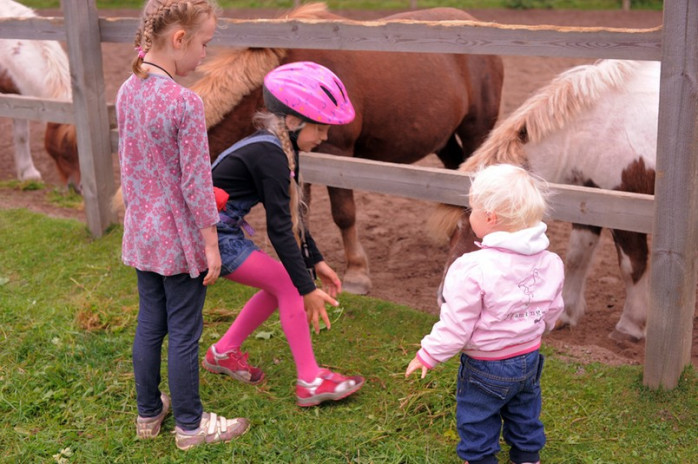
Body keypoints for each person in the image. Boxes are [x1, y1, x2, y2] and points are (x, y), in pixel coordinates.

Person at [116, 0, 249, 451]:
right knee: (185, 334)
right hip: (178, 239)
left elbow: (130, 166)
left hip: (142, 233)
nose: (205, 54)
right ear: (179, 40)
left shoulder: (126, 90)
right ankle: (191, 427)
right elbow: (196, 183)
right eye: (204, 44)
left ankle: (148, 412)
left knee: (150, 323)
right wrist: (211, 244)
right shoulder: (185, 103)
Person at [202, 61, 365, 407]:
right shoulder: (270, 155)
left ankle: (223, 352)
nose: (324, 137)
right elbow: (279, 230)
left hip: (221, 231)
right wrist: (306, 288)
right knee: (289, 284)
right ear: (293, 121)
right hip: (209, 238)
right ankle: (310, 380)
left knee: (281, 283)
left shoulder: (282, 148)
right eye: (320, 128)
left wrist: (316, 261)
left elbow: (293, 216)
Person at [405, 164, 565, 464]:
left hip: (486, 365)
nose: (470, 215)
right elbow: (552, 309)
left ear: (490, 217)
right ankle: (527, 456)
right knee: (524, 412)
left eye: (472, 209)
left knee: (477, 417)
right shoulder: (551, 261)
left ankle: (479, 458)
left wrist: (428, 354)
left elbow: (456, 325)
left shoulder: (473, 268)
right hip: (529, 358)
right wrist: (533, 327)